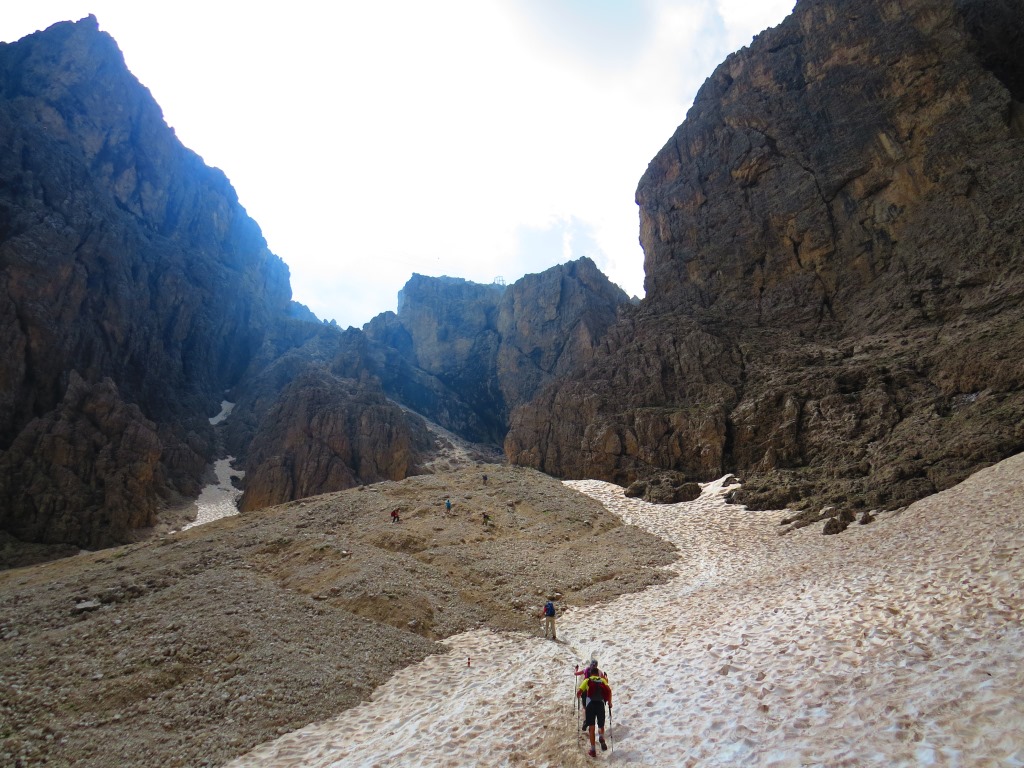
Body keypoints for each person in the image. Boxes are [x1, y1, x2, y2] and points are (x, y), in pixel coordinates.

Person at [577, 665, 612, 757]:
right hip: (600, 705)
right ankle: (601, 736)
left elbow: (579, 692)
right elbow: (609, 691)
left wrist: (579, 696)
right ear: (597, 674)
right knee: (601, 725)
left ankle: (593, 750)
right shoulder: (603, 680)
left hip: (590, 705)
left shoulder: (587, 680)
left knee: (591, 728)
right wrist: (610, 703)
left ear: (591, 673)